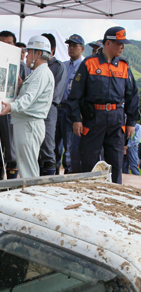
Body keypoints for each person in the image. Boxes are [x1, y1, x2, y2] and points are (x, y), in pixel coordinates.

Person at [67, 26, 139, 184]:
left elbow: (132, 95)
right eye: (119, 43)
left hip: (117, 119)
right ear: (108, 43)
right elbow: (74, 96)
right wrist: (76, 119)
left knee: (116, 162)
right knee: (89, 161)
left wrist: (131, 122)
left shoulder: (124, 66)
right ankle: (89, 194)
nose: (122, 47)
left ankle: (115, 195)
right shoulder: (89, 64)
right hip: (93, 118)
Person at [0, 36, 55, 178]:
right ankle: (29, 195)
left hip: (29, 123)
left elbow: (29, 98)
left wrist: (11, 106)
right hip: (27, 123)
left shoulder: (41, 73)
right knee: (26, 165)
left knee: (28, 169)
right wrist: (20, 86)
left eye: (29, 52)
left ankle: (32, 197)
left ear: (38, 54)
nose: (26, 56)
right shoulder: (38, 73)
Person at [0, 30, 30, 179]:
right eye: (3, 43)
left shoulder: (21, 66)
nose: (7, 46)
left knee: (12, 151)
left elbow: (25, 92)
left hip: (12, 112)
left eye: (10, 43)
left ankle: (11, 185)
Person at [55, 34, 85, 174]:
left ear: (82, 49)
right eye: (69, 46)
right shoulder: (63, 66)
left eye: (74, 46)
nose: (71, 48)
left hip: (72, 110)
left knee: (70, 145)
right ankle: (53, 172)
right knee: (53, 144)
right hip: (58, 108)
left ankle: (69, 173)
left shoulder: (84, 67)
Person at [38, 33, 67, 176]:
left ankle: (49, 182)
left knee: (49, 147)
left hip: (50, 110)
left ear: (52, 49)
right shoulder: (35, 66)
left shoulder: (58, 67)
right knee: (36, 147)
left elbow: (56, 95)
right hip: (35, 111)